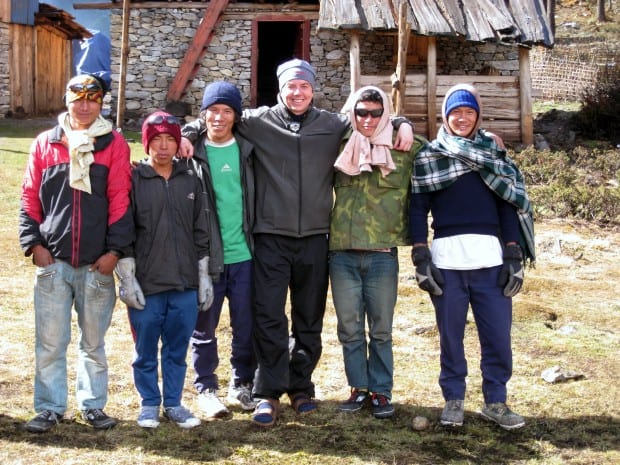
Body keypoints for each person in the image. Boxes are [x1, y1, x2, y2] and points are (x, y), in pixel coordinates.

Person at [181, 58, 414, 428]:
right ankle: (268, 392)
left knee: (309, 319)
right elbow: (217, 117)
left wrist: (402, 121)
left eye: (304, 86)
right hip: (270, 238)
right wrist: (187, 131)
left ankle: (301, 386)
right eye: (291, 85)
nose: (297, 92)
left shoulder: (331, 124)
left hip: (315, 239)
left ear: (312, 89)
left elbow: (369, 115)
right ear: (280, 88)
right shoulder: (258, 122)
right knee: (269, 316)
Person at [408, 83, 535, 430]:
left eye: (469, 112)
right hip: (447, 264)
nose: (462, 118)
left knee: (497, 337)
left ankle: (496, 401)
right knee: (450, 338)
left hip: (491, 264)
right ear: (445, 117)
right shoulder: (430, 157)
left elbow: (508, 207)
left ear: (478, 117)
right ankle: (453, 399)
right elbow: (417, 209)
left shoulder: (493, 156)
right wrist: (421, 256)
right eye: (455, 112)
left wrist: (513, 254)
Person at [19, 74, 132, 433]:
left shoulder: (113, 144)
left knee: (94, 344)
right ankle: (49, 406)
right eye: (77, 98)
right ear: (66, 100)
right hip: (54, 261)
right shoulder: (44, 143)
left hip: (97, 264)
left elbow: (120, 200)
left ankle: (93, 405)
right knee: (50, 343)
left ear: (101, 103)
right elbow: (28, 198)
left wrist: (114, 251)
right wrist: (34, 245)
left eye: (92, 99)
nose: (84, 106)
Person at [329, 86, 426, 420]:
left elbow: (446, 151)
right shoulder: (337, 146)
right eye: (360, 112)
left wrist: (404, 123)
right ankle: (358, 388)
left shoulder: (404, 148)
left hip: (383, 255)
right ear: (351, 113)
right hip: (341, 254)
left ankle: (382, 391)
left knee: (381, 329)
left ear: (384, 114)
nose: (367, 120)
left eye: (374, 113)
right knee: (350, 328)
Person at [115, 111, 213, 429]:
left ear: (177, 143)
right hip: (147, 283)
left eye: (170, 139)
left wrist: (203, 275)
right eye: (156, 139)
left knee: (176, 349)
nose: (163, 146)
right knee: (145, 351)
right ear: (146, 143)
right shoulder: (133, 179)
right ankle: (148, 404)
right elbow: (123, 230)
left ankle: (173, 403)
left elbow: (201, 230)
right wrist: (127, 277)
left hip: (184, 283)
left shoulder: (191, 178)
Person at [188, 81, 257, 419]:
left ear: (236, 115)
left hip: (245, 255)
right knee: (204, 328)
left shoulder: (248, 148)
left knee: (246, 325)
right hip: (207, 259)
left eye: (226, 110)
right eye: (212, 110)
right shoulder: (191, 153)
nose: (219, 117)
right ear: (203, 114)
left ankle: (242, 383)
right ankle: (206, 388)